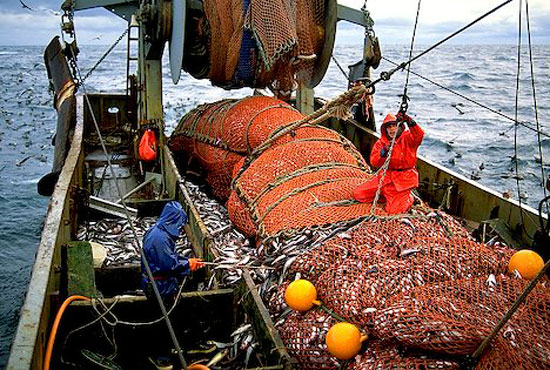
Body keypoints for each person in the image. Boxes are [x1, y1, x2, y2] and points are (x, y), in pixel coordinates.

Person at [353, 112, 424, 214]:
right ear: (385, 129)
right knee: (359, 194)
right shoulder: (381, 143)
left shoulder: (408, 138)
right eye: (388, 127)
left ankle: (409, 199)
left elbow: (419, 135)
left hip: (403, 180)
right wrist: (383, 151)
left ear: (400, 127)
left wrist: (409, 120)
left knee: (393, 211)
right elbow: (374, 162)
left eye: (394, 125)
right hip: (386, 177)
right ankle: (387, 196)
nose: (391, 129)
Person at [141, 201, 204, 299]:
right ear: (172, 221)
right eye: (179, 224)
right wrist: (188, 265)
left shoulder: (159, 232)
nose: (180, 228)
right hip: (159, 288)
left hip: (161, 284)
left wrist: (186, 261)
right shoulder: (159, 239)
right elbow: (168, 265)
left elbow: (168, 257)